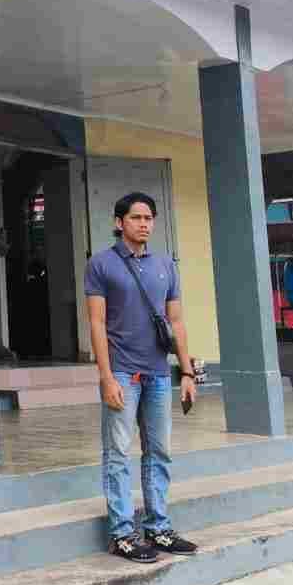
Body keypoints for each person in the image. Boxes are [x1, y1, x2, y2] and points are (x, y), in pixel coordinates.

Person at [84, 191, 198, 562]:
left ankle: (158, 528)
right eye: (136, 217)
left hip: (159, 374)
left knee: (159, 452)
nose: (144, 224)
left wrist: (187, 372)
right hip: (122, 372)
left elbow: (176, 321)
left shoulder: (165, 265)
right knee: (118, 454)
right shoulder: (101, 265)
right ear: (119, 223)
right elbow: (97, 323)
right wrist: (105, 377)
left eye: (149, 218)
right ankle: (122, 534)